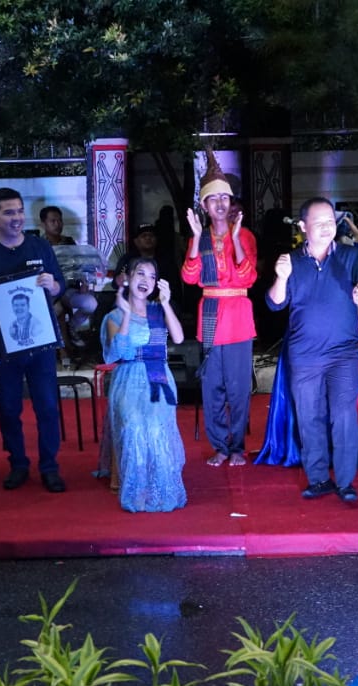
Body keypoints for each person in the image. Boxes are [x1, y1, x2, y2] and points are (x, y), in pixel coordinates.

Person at [268, 197, 358, 501]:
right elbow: (275, 303)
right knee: (309, 417)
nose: (328, 227)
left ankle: (346, 482)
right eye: (320, 222)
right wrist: (281, 277)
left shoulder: (352, 257)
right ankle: (317, 479)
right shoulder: (291, 261)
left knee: (344, 416)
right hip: (305, 355)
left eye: (331, 221)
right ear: (303, 226)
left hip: (343, 353)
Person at [0, 187, 67, 492]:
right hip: (3, 349)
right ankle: (18, 463)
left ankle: (49, 466)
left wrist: (53, 285)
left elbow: (60, 286)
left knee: (47, 407)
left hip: (41, 345)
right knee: (8, 409)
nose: (17, 217)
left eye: (20, 211)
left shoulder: (40, 247)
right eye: (9, 212)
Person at [181, 149, 257, 467]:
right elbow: (189, 277)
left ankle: (237, 446)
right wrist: (196, 239)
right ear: (204, 206)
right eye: (214, 199)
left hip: (238, 316)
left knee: (239, 388)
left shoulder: (246, 236)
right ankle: (220, 446)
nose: (221, 204)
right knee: (212, 388)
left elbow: (248, 276)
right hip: (211, 315)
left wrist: (236, 239)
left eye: (225, 198)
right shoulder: (199, 238)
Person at [101, 257, 186, 512]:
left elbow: (179, 338)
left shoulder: (158, 311)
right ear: (128, 278)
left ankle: (159, 486)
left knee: (157, 428)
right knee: (135, 427)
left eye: (151, 276)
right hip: (129, 379)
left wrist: (166, 303)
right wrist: (127, 314)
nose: (145, 280)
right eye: (140, 273)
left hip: (158, 376)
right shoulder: (114, 315)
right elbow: (118, 353)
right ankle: (136, 487)